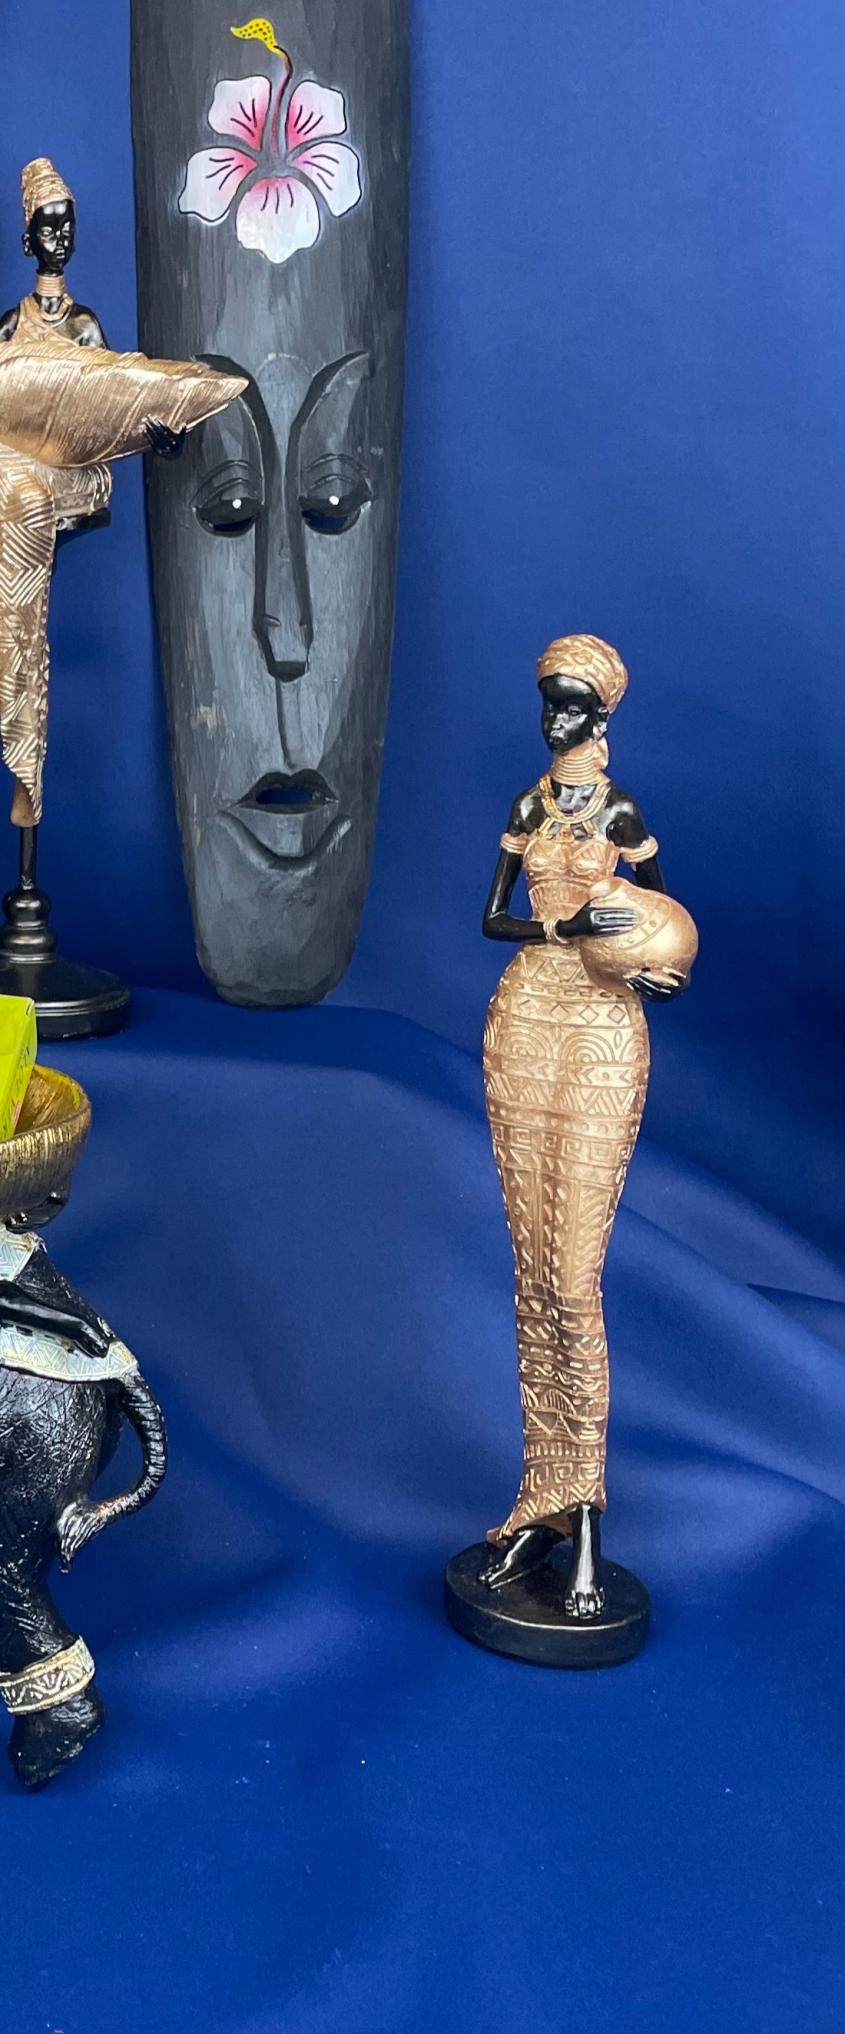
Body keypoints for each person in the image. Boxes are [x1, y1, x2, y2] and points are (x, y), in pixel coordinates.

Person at [474, 634, 685, 1621]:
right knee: (530, 1271)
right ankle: (541, 1503)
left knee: (572, 1276)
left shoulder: (622, 814)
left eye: (571, 704)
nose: (555, 718)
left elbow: (662, 925)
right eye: (548, 700)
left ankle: (586, 1500)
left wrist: (654, 967)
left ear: (601, 715)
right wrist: (558, 931)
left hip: (602, 1030)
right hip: (525, 1017)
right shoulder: (528, 807)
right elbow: (492, 919)